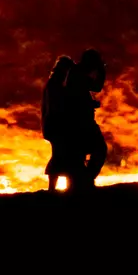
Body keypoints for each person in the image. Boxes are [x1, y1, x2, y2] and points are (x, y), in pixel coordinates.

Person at [62, 48, 109, 191]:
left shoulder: (76, 73)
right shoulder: (77, 73)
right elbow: (96, 87)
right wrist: (102, 71)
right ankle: (85, 181)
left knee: (81, 154)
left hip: (79, 120)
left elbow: (92, 88)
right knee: (99, 149)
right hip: (81, 122)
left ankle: (82, 183)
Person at [41, 56, 78, 191]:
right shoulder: (55, 85)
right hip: (56, 126)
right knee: (60, 157)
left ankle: (57, 188)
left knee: (61, 157)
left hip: (53, 126)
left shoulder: (54, 84)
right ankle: (55, 188)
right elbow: (56, 107)